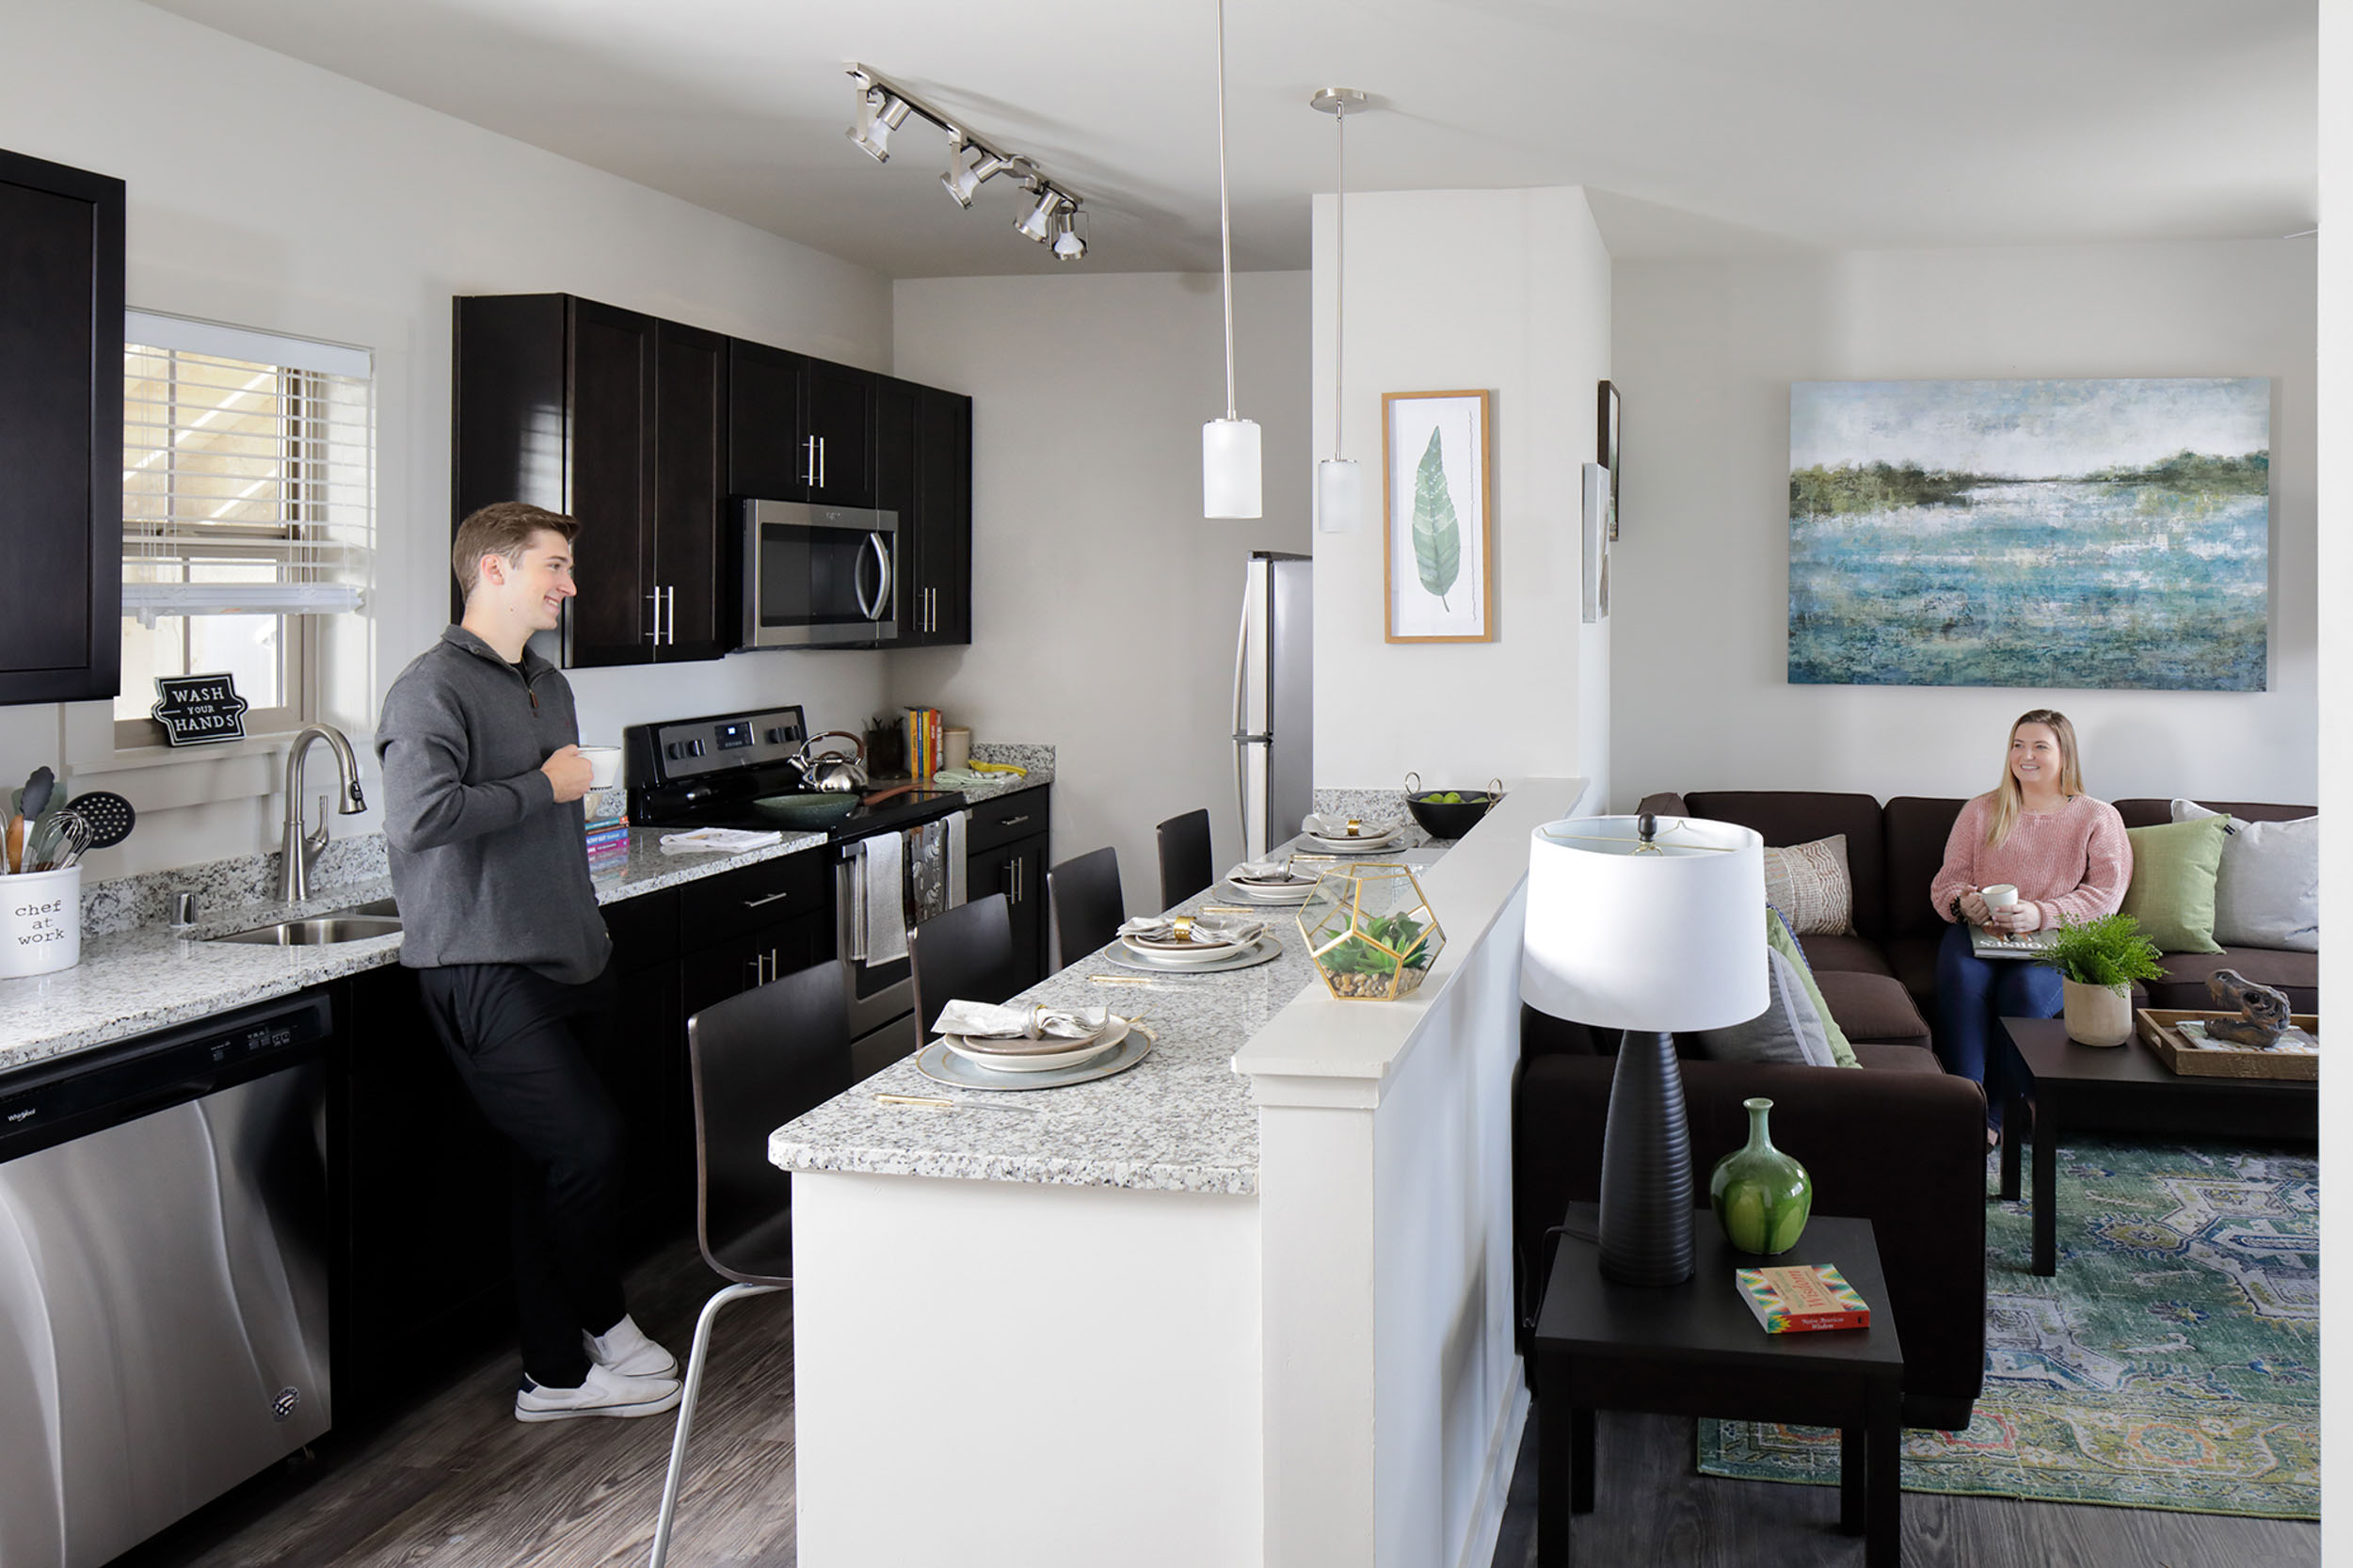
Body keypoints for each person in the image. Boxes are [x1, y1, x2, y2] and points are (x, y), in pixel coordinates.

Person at [376, 501, 681, 1422]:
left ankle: (557, 1367)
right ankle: (595, 1318)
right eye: (554, 566)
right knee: (586, 1143)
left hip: (571, 954)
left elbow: (556, 825)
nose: (571, 585)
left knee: (544, 1163)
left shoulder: (548, 680)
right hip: (481, 960)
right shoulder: (429, 689)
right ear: (493, 571)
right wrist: (542, 785)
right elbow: (419, 819)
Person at [1929, 709, 2132, 1144]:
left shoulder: (2098, 817)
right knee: (1961, 979)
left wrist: (2042, 914)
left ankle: (1999, 1117)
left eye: (2040, 746)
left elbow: (2106, 896)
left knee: (2021, 991)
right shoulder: (1982, 810)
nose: (2026, 755)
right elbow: (1948, 881)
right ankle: (1966, 1108)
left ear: (2064, 754)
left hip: (2055, 940)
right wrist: (1967, 904)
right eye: (2018, 745)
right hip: (1978, 935)